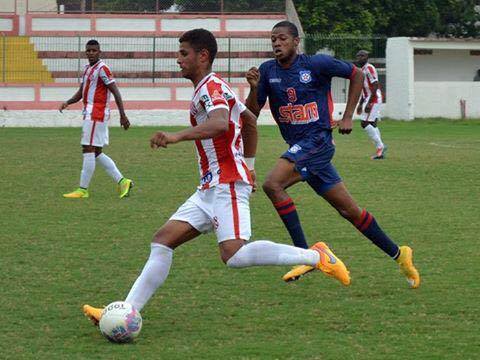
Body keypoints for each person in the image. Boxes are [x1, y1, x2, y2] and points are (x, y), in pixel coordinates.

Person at [83, 28, 351, 325]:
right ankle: (126, 312)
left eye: (183, 53)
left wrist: (176, 137)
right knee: (162, 241)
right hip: (209, 187)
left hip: (226, 185)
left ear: (203, 56)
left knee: (233, 255)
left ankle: (316, 257)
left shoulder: (211, 88)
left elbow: (221, 124)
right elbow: (249, 122)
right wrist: (248, 165)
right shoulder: (214, 87)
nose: (178, 60)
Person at [245, 21, 420, 288]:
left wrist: (348, 116)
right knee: (349, 211)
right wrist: (255, 88)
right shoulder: (268, 71)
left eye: (281, 38)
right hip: (303, 151)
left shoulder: (316, 64)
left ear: (296, 41)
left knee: (272, 184)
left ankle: (307, 254)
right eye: (272, 40)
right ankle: (399, 254)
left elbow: (357, 74)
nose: (276, 43)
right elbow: (252, 114)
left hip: (317, 142)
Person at [60, 39, 133, 199]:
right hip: (90, 113)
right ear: (85, 52)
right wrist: (68, 102)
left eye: (94, 50)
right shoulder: (87, 69)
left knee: (87, 149)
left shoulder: (102, 69)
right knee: (97, 152)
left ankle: (82, 189)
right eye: (88, 50)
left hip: (96, 113)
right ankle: (123, 181)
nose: (91, 53)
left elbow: (115, 91)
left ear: (99, 52)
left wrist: (122, 114)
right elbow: (81, 92)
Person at [355, 49, 387, 160]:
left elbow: (375, 84)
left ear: (367, 57)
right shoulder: (362, 70)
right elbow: (364, 90)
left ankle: (380, 147)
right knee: (372, 124)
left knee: (364, 123)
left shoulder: (369, 68)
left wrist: (369, 103)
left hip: (374, 98)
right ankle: (381, 151)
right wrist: (360, 104)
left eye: (362, 56)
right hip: (369, 98)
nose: (359, 58)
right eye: (358, 56)